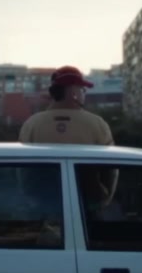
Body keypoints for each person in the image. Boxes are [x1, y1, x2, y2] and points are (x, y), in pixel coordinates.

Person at [19, 66, 117, 214]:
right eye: (82, 89)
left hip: (41, 209)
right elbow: (111, 170)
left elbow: (22, 172)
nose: (84, 93)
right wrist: (104, 199)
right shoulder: (98, 124)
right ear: (73, 93)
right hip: (86, 209)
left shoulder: (31, 124)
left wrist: (30, 199)